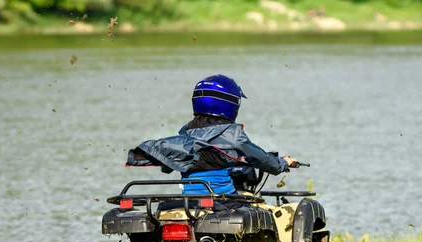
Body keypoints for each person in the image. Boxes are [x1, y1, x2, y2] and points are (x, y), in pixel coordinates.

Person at [126, 74, 296, 194]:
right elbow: (262, 159)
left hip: (189, 200)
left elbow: (167, 166)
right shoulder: (233, 133)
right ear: (231, 104)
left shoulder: (186, 131)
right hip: (222, 198)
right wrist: (283, 163)